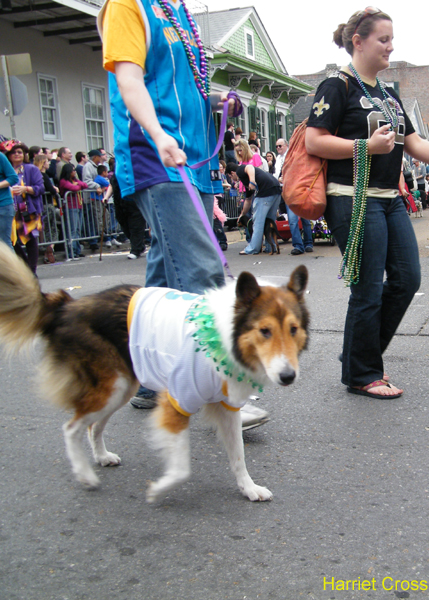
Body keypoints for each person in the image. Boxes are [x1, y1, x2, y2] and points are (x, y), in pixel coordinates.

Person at [99, 0, 268, 427]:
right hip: (157, 159)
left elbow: (178, 84)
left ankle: (147, 379)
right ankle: (223, 388)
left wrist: (217, 101)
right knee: (202, 268)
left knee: (162, 271)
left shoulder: (175, 11)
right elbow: (129, 78)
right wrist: (157, 135)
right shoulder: (127, 6)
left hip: (191, 160)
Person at [305, 7, 429, 399]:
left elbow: (415, 144)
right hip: (352, 199)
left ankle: (358, 356)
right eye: (383, 39)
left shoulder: (387, 93)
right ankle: (362, 372)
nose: (391, 46)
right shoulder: (337, 85)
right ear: (359, 41)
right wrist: (365, 146)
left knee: (407, 279)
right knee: (367, 287)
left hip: (389, 199)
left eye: (391, 40)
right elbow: (314, 140)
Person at [4, 140, 46, 273]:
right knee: (12, 240)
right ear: (8, 155)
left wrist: (26, 188)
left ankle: (31, 271)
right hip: (10, 209)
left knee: (30, 239)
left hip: (28, 209)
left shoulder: (31, 169)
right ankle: (26, 267)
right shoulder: (6, 170)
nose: (17, 154)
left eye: (19, 152)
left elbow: (40, 188)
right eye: (13, 152)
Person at [229, 158, 282, 255]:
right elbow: (248, 200)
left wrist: (252, 181)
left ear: (232, 173)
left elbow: (249, 167)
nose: (233, 180)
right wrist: (242, 214)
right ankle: (271, 247)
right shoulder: (246, 180)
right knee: (268, 221)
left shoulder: (240, 170)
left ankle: (253, 248)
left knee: (258, 223)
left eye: (231, 177)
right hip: (276, 189)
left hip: (265, 192)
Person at [58, 162, 88, 260]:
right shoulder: (63, 181)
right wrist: (77, 185)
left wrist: (78, 184)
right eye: (73, 170)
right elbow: (74, 188)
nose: (75, 172)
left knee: (78, 229)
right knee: (72, 230)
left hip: (78, 206)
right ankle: (71, 252)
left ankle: (77, 251)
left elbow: (85, 185)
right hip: (70, 207)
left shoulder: (74, 180)